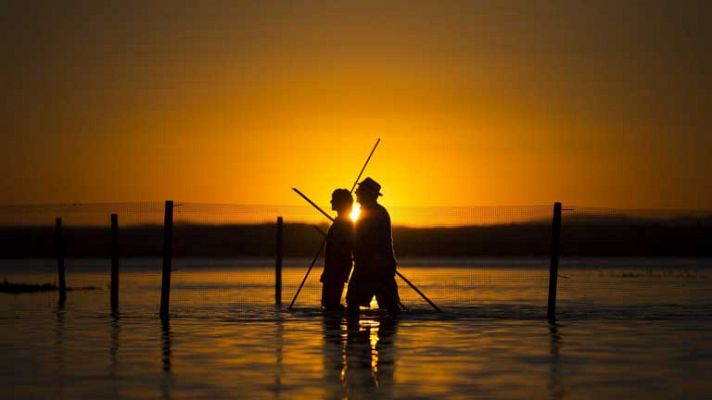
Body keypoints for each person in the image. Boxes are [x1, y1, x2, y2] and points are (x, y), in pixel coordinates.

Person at [346, 177, 400, 319]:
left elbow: (364, 239)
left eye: (359, 191)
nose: (356, 193)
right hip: (380, 265)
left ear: (368, 194)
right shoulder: (376, 211)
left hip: (370, 266)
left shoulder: (372, 213)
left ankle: (357, 337)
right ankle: (386, 336)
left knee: (353, 301)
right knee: (390, 306)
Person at [320, 188, 354, 311]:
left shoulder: (346, 223)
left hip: (338, 267)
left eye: (334, 199)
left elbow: (346, 246)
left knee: (330, 303)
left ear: (341, 203)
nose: (330, 202)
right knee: (328, 303)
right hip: (332, 267)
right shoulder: (340, 222)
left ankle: (335, 325)